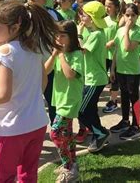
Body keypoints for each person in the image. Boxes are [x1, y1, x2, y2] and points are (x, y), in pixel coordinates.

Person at [0, 0, 59, 182]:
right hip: (37, 123)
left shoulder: (5, 51)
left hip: (12, 128)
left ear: (15, 27)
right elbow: (43, 83)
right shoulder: (33, 48)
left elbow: (3, 94)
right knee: (28, 174)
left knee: (2, 177)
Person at [45, 21, 85, 181]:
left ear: (71, 37)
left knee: (55, 134)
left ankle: (68, 166)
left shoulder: (76, 55)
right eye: (57, 35)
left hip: (70, 99)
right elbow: (46, 71)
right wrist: (54, 54)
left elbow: (70, 75)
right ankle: (73, 164)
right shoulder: (58, 54)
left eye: (63, 35)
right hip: (60, 98)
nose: (59, 38)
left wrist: (61, 55)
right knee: (66, 134)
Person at [77, 1, 111, 151]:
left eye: (84, 15)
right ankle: (99, 134)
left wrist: (78, 32)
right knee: (90, 110)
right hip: (92, 78)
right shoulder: (94, 33)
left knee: (81, 110)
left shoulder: (97, 34)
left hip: (95, 79)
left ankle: (100, 133)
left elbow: (81, 49)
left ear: (91, 18)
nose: (81, 18)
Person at [109, 4, 140, 140]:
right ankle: (125, 121)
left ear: (137, 16)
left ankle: (136, 126)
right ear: (123, 15)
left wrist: (128, 29)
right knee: (123, 95)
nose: (130, 18)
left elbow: (128, 47)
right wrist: (112, 68)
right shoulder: (119, 30)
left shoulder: (138, 31)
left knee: (133, 96)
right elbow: (117, 49)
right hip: (121, 69)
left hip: (132, 70)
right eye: (127, 15)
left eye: (133, 15)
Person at [103, 0, 123, 114]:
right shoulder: (104, 19)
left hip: (115, 54)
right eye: (105, 5)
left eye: (109, 6)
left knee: (114, 78)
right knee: (104, 77)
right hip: (103, 55)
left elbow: (120, 35)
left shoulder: (118, 20)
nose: (107, 8)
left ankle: (113, 101)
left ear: (116, 7)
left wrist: (113, 41)